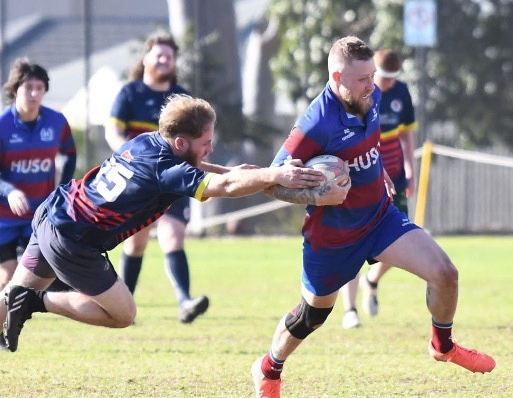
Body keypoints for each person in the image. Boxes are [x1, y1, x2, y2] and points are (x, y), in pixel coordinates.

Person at [251, 36, 495, 398]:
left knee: (445, 273)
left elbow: (369, 143)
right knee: (312, 316)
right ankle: (268, 371)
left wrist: (377, 172)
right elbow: (271, 182)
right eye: (363, 78)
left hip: (380, 218)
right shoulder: (315, 124)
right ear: (337, 77)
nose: (372, 84)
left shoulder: (373, 95)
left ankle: (443, 346)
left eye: (373, 75)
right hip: (333, 237)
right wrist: (317, 196)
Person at [1, 94, 346, 353]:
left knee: (7, 298)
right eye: (205, 143)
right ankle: (37, 302)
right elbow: (223, 188)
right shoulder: (168, 170)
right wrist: (277, 174)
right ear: (181, 142)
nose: (210, 149)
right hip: (73, 240)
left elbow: (203, 170)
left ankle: (22, 299)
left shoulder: (147, 141)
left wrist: (234, 171)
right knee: (122, 314)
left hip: (54, 212)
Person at [105, 32, 208, 323]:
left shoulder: (181, 98)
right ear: (146, 58)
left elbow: (196, 139)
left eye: (169, 56)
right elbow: (112, 132)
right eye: (159, 55)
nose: (164, 60)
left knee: (173, 236)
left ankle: (185, 302)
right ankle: (123, 306)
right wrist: (130, 156)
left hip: (174, 178)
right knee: (136, 243)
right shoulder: (130, 93)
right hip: (140, 179)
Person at [340, 49, 417, 329]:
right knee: (353, 243)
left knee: (401, 238)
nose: (388, 84)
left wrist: (410, 169)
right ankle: (350, 310)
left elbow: (406, 134)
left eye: (393, 78)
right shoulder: (359, 93)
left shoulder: (401, 92)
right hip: (362, 177)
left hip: (395, 178)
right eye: (384, 78)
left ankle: (371, 280)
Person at [0, 59, 77, 289]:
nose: (34, 94)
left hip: (38, 214)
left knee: (34, 276)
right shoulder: (2, 125)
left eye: (39, 88)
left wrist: (62, 190)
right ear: (15, 90)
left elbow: (69, 154)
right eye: (28, 87)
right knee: (8, 275)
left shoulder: (56, 122)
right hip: (4, 217)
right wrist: (10, 191)